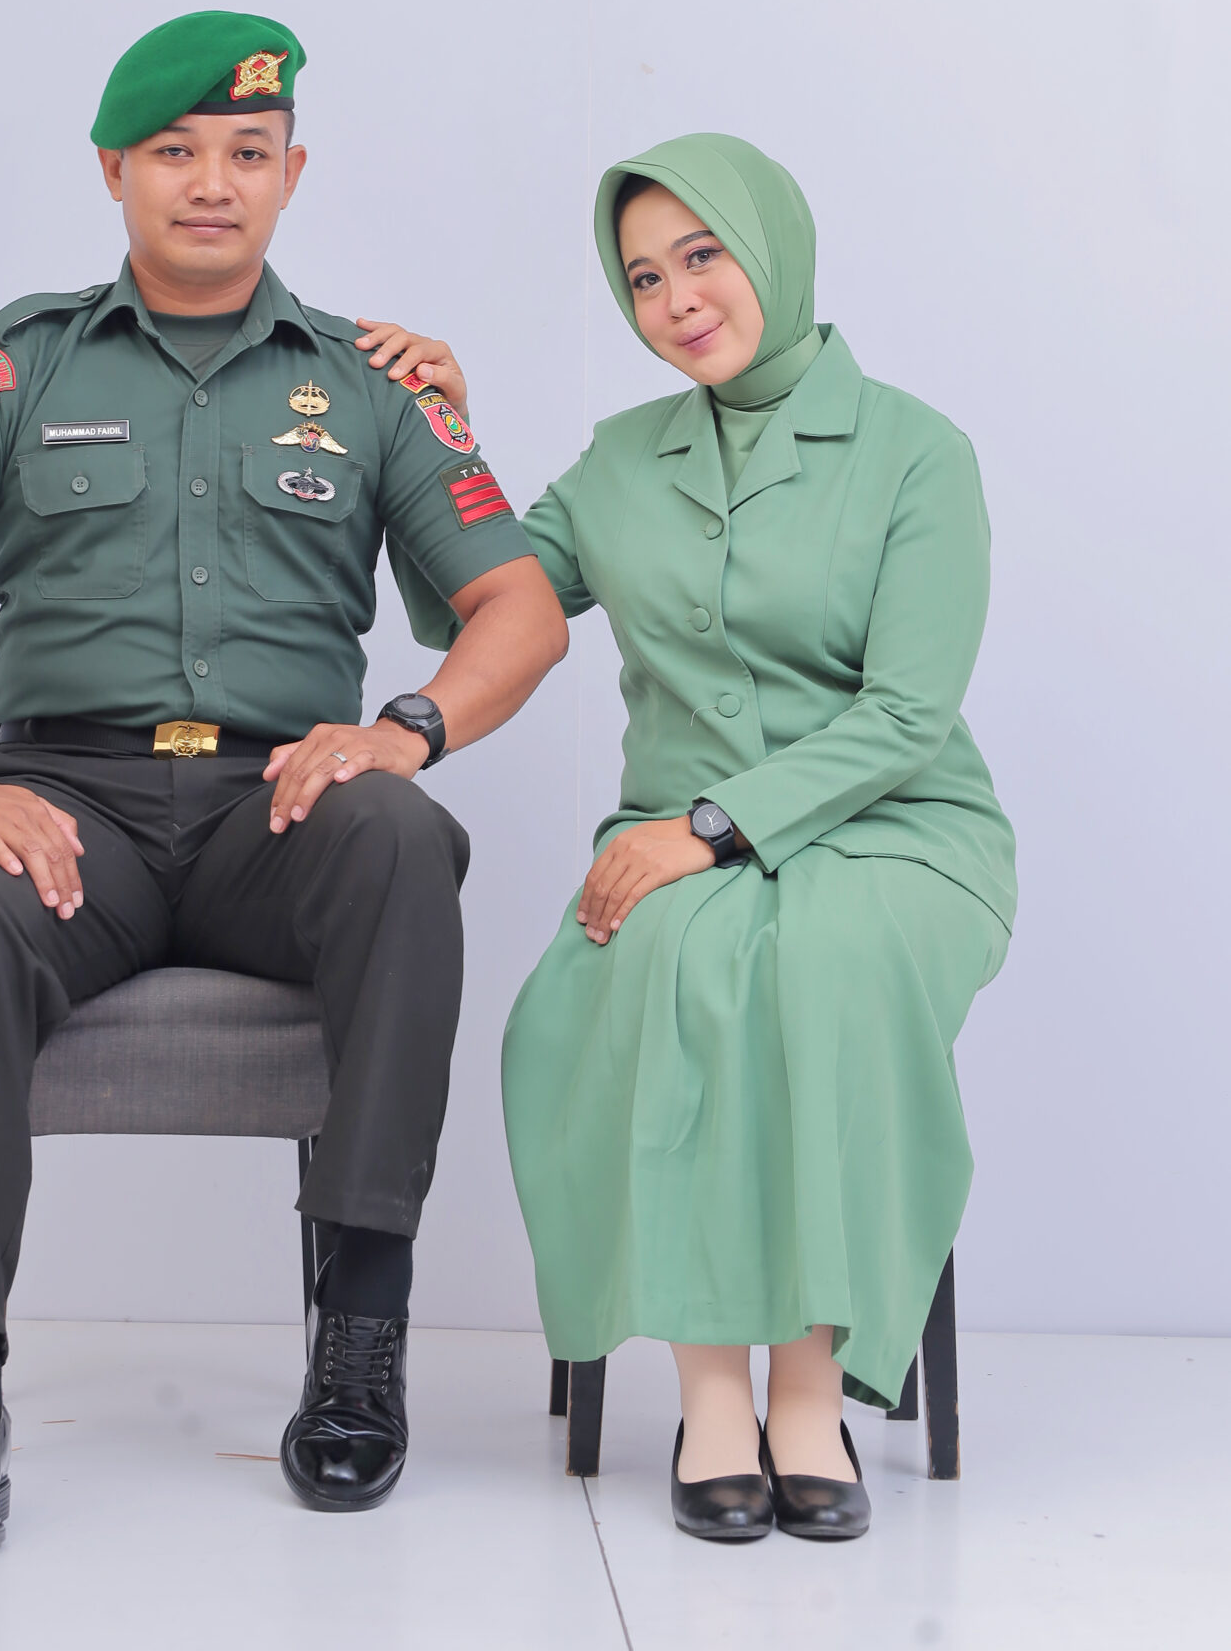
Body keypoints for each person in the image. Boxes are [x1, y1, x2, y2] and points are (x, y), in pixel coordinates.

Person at [0, 10, 567, 1550]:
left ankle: (357, 1351)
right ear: (114, 171)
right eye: (175, 151)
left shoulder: (374, 385)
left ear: (293, 172)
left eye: (246, 153)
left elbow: (523, 607)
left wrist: (403, 729)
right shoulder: (15, 367)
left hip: (273, 810)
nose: (212, 183)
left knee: (400, 835)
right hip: (67, 804)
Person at [369, 134, 1016, 1544]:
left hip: (899, 832)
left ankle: (810, 1392)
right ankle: (710, 1392)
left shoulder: (916, 452)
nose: (677, 300)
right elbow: (482, 605)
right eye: (645, 277)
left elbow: (908, 715)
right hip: (674, 837)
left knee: (829, 961)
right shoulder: (621, 463)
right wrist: (446, 441)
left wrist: (718, 827)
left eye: (703, 256)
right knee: (676, 961)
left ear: (773, 248)